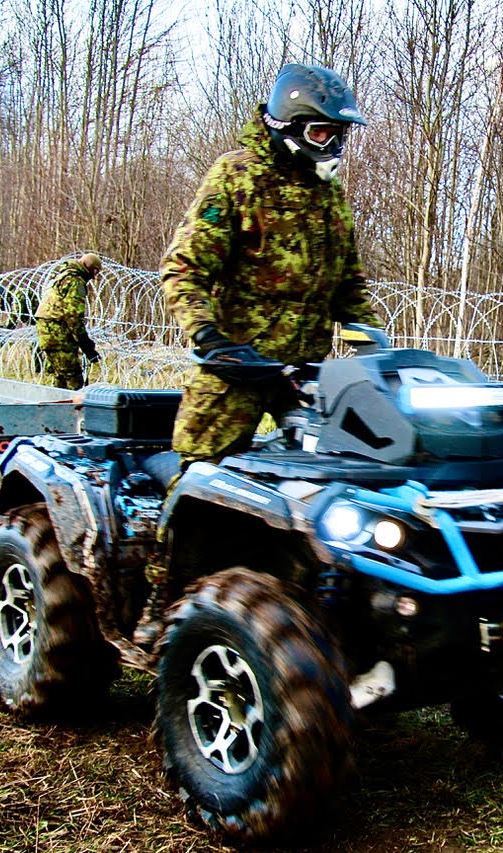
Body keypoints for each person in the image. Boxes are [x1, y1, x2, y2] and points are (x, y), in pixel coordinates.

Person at [136, 64, 382, 646]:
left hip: (308, 375)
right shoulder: (237, 178)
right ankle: (159, 607)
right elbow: (186, 268)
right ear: (290, 125)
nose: (334, 144)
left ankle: (330, 605)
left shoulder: (329, 196)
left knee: (348, 486)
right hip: (237, 369)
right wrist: (208, 337)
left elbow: (349, 287)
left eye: (339, 134)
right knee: (195, 482)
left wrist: (376, 353)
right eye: (324, 132)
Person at [34, 253, 102, 390]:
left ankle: (56, 408)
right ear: (89, 267)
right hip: (57, 333)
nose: (94, 276)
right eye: (95, 271)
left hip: (48, 331)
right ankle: (72, 411)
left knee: (60, 377)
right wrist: (88, 347)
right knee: (73, 380)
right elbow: (74, 319)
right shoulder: (75, 281)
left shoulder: (62, 276)